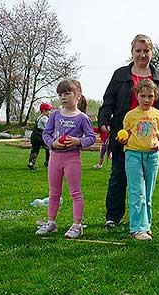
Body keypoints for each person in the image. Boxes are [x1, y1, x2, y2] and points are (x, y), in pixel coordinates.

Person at [98, 34, 159, 230]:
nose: (142, 55)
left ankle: (143, 220)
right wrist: (105, 121)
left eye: (146, 51)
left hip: (149, 140)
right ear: (132, 52)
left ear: (152, 52)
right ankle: (113, 217)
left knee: (145, 184)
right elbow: (108, 101)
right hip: (124, 136)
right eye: (138, 51)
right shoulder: (120, 75)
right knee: (118, 176)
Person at [36, 79, 96, 239]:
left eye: (67, 93)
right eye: (60, 94)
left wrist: (78, 141)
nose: (63, 97)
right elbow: (46, 134)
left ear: (78, 96)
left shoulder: (83, 118)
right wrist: (53, 144)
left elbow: (91, 138)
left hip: (72, 159)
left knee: (75, 192)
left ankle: (77, 225)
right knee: (54, 192)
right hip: (55, 158)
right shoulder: (54, 115)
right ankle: (51, 223)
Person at [118, 79, 159, 241]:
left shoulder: (158, 115)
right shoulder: (130, 115)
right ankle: (137, 229)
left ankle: (146, 225)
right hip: (133, 155)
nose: (146, 100)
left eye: (150, 96)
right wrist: (122, 140)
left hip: (152, 157)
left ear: (155, 97)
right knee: (137, 192)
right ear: (136, 95)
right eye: (142, 96)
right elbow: (125, 136)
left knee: (148, 194)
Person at [27, 103, 54, 170]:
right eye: (48, 110)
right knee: (49, 147)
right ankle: (48, 162)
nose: (49, 112)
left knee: (35, 149)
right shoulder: (44, 118)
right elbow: (49, 127)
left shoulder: (39, 117)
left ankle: (31, 163)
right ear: (44, 110)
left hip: (34, 136)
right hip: (40, 136)